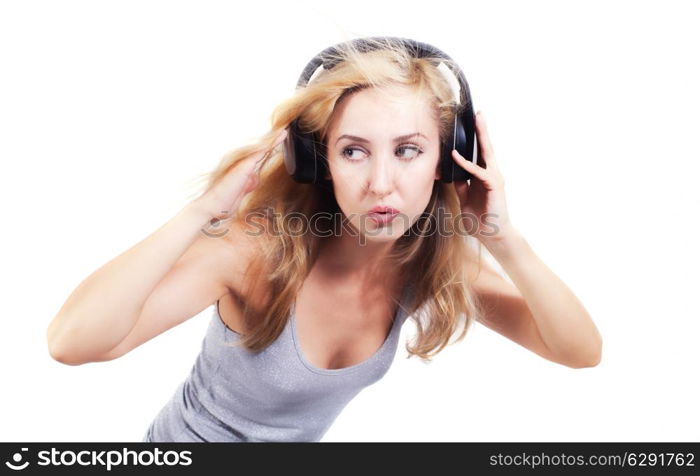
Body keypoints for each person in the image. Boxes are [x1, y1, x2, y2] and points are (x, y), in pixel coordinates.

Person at [46, 37, 602, 442]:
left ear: (446, 160)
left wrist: (504, 241)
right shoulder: (253, 253)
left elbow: (577, 352)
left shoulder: (430, 263)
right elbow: (74, 342)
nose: (380, 183)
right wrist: (203, 211)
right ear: (319, 161)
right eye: (353, 150)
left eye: (407, 150)